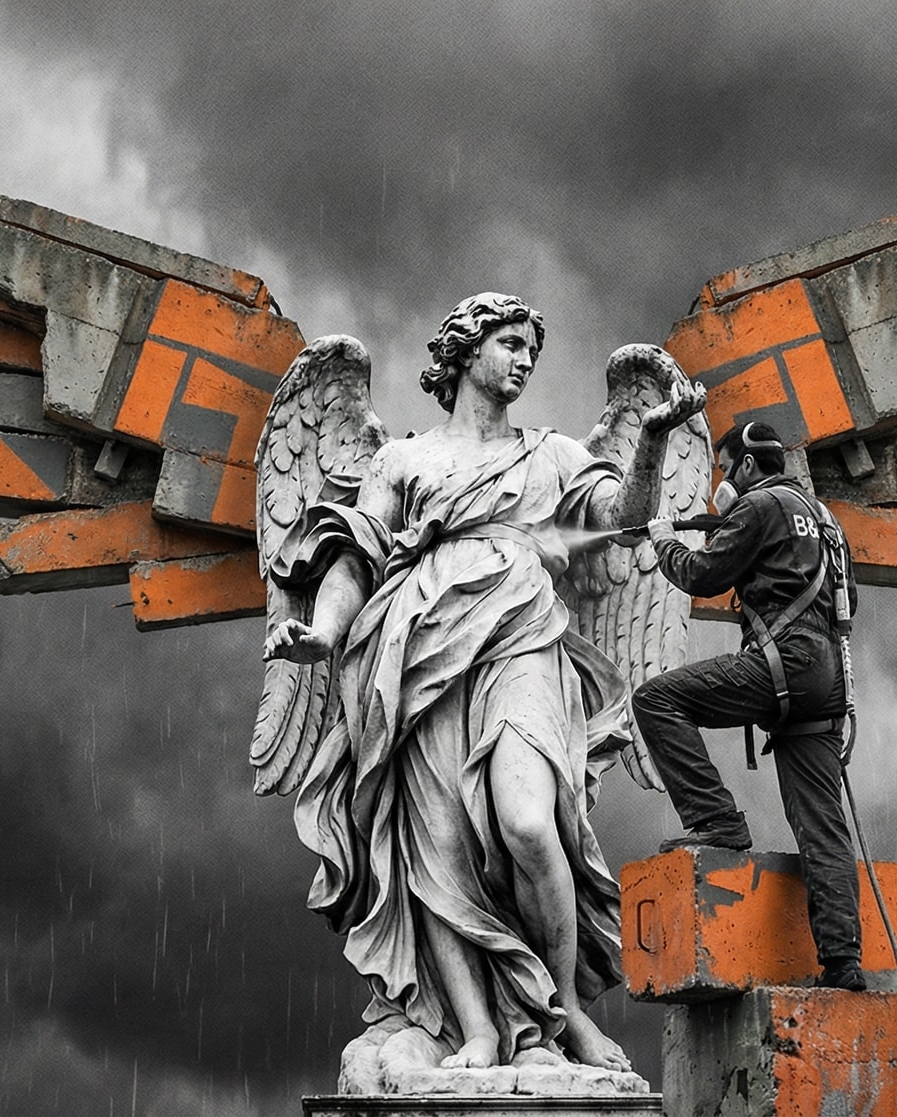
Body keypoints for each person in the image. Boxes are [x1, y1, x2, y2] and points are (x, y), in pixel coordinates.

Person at [263, 293, 705, 1070]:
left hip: (522, 634)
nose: (524, 359)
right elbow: (357, 559)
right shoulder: (403, 462)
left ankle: (564, 1014)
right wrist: (324, 632)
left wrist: (654, 442)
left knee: (528, 822)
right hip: (417, 651)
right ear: (466, 350)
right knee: (437, 848)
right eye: (510, 342)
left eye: (531, 348)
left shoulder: (554, 455)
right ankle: (474, 1027)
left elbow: (626, 520)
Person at [633, 420, 866, 991]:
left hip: (783, 662)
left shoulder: (758, 505)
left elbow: (702, 574)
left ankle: (717, 820)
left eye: (722, 467)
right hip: (828, 681)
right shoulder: (826, 520)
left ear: (743, 465)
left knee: (656, 699)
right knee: (824, 829)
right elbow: (849, 600)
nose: (721, 479)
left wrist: (663, 541)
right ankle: (843, 963)